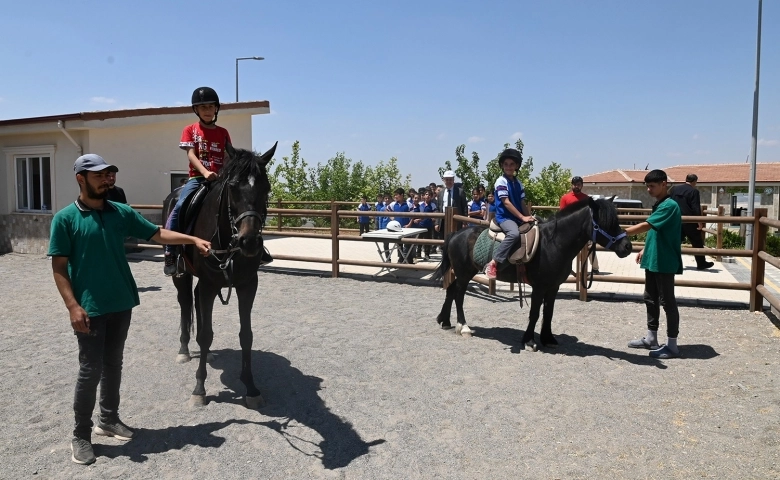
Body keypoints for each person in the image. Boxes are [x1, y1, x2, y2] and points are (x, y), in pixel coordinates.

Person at [49, 154, 212, 465]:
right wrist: (72, 305)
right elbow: (58, 267)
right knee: (89, 370)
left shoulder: (120, 212)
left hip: (121, 303)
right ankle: (81, 435)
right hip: (89, 308)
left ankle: (108, 419)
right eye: (99, 175)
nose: (107, 180)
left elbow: (157, 233)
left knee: (113, 364)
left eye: (110, 175)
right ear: (80, 178)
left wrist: (192, 238)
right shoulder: (65, 219)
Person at [163, 87, 244, 275]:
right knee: (180, 204)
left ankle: (249, 247)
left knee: (242, 204)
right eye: (203, 107)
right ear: (196, 110)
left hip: (221, 179)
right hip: (198, 178)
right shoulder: (190, 130)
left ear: (216, 109)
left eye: (210, 106)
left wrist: (226, 174)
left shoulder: (223, 132)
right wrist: (205, 172)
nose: (207, 110)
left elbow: (227, 156)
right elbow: (191, 155)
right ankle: (170, 251)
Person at [624, 169, 683, 359]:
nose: (649, 189)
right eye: (647, 186)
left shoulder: (669, 205)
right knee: (650, 298)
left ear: (664, 184)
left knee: (667, 302)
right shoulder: (659, 204)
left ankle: (672, 345)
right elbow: (655, 231)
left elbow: (647, 225)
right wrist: (645, 249)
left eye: (652, 186)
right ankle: (651, 337)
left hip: (664, 261)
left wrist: (621, 233)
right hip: (654, 258)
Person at [485, 149, 535, 278]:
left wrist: (529, 217)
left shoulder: (518, 183)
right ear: (502, 165)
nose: (508, 167)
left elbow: (522, 203)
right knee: (514, 234)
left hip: (517, 217)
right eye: (506, 164)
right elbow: (506, 202)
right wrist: (522, 217)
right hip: (505, 217)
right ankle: (494, 262)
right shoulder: (501, 181)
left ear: (517, 166)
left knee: (534, 230)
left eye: (511, 164)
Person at [670, 173, 714, 270]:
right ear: (694, 181)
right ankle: (701, 263)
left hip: (676, 220)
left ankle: (671, 263)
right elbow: (695, 207)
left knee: (674, 242)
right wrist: (699, 221)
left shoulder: (674, 189)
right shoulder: (694, 191)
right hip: (689, 221)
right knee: (697, 242)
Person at [560, 176, 599, 273]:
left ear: (582, 185)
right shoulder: (565, 198)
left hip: (584, 228)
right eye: (574, 184)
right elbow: (562, 214)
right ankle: (566, 268)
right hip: (570, 228)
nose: (576, 186)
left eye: (578, 184)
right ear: (572, 185)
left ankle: (595, 268)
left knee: (590, 248)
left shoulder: (586, 198)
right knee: (568, 249)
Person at [435, 170, 468, 234]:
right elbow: (438, 209)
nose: (448, 181)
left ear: (453, 180)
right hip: (443, 221)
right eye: (447, 180)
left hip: (457, 221)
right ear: (444, 181)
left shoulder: (460, 192)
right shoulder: (441, 193)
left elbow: (464, 208)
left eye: (450, 179)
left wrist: (464, 222)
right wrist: (437, 222)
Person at [390, 187, 412, 263]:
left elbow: (413, 215)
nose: (395, 197)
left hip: (406, 227)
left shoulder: (408, 204)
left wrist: (409, 224)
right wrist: (392, 218)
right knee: (399, 244)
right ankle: (400, 258)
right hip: (397, 228)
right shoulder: (393, 204)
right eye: (395, 195)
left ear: (402, 195)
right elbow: (387, 210)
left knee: (407, 244)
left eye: (397, 195)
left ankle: (408, 259)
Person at [412, 190, 435, 260]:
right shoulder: (420, 204)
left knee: (427, 240)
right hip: (420, 225)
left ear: (431, 197)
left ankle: (427, 254)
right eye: (426, 194)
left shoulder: (432, 205)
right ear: (424, 196)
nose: (427, 196)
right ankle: (418, 253)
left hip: (428, 225)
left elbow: (435, 215)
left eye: (429, 195)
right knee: (419, 240)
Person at [376, 193, 391, 260]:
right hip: (385, 228)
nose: (387, 200)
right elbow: (380, 219)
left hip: (393, 228)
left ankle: (401, 259)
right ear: (384, 199)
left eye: (388, 198)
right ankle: (388, 259)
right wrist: (380, 229)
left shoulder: (393, 207)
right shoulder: (382, 209)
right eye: (386, 198)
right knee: (386, 244)